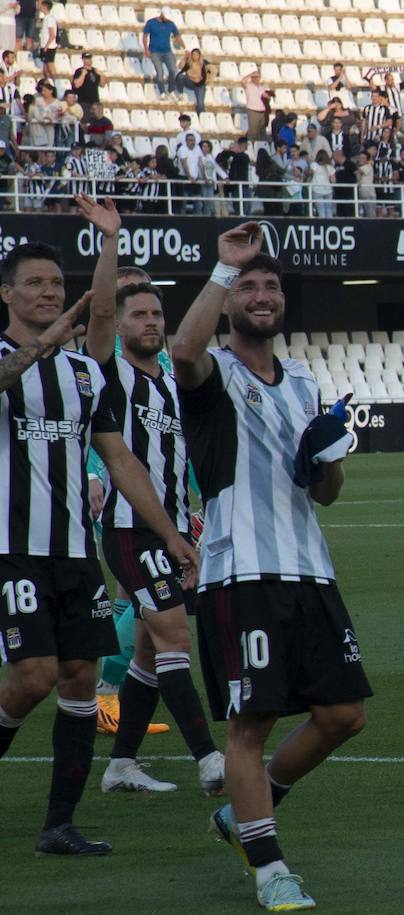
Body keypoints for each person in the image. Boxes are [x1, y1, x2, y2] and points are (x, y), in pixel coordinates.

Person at [172, 225, 372, 912]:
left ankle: (242, 815)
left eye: (270, 285)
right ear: (233, 302)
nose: (262, 295)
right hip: (241, 575)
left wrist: (330, 453)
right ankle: (269, 868)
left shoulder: (306, 383)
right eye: (250, 287)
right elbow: (182, 351)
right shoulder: (215, 374)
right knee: (249, 727)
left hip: (309, 571)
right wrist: (223, 268)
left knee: (344, 714)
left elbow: (323, 492)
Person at [0, 230, 198, 854]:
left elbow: (121, 461)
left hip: (77, 552)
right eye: (35, 283)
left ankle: (59, 824)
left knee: (81, 678)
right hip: (13, 546)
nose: (48, 292)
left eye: (57, 285)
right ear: (7, 293)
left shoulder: (86, 373)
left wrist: (172, 534)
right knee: (32, 677)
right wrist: (44, 343)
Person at [64, 198, 224, 796]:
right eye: (139, 315)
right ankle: (209, 758)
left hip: (176, 525)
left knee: (155, 653)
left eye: (158, 313)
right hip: (131, 527)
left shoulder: (175, 381)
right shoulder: (107, 370)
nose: (151, 322)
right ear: (120, 324)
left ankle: (122, 763)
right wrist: (111, 241)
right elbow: (102, 308)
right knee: (174, 632)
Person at [142, 7, 184, 98]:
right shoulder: (151, 23)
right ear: (162, 14)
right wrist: (146, 49)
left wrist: (185, 47)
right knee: (160, 72)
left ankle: (171, 89)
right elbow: (145, 36)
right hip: (155, 52)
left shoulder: (171, 24)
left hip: (167, 51)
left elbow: (177, 36)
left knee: (173, 70)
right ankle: (162, 92)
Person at [176, 48, 211, 114]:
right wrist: (185, 57)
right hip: (190, 81)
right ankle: (180, 93)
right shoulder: (189, 62)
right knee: (180, 77)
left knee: (200, 103)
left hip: (199, 85)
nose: (194, 56)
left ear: (199, 55)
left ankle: (201, 117)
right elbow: (180, 67)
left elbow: (211, 70)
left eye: (196, 54)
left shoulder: (203, 62)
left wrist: (207, 79)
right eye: (193, 54)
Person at [241, 69, 270, 140]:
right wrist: (250, 75)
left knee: (262, 132)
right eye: (254, 77)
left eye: (257, 77)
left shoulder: (262, 87)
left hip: (262, 112)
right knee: (252, 132)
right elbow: (242, 81)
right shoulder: (248, 86)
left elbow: (266, 98)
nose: (256, 78)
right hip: (253, 111)